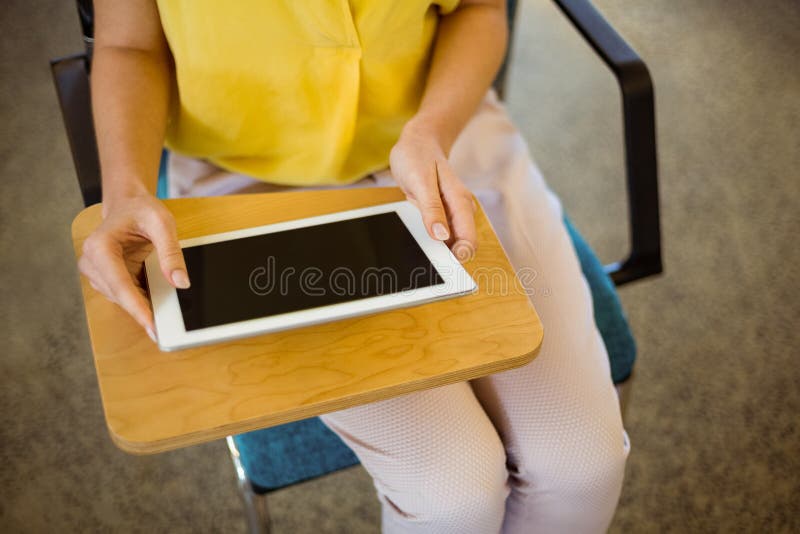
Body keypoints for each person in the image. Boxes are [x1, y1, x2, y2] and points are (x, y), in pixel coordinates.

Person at [78, 1, 629, 532]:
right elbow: (129, 43)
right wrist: (124, 187)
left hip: (440, 135)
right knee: (451, 490)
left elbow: (480, 9)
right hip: (246, 175)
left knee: (583, 462)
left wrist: (431, 130)